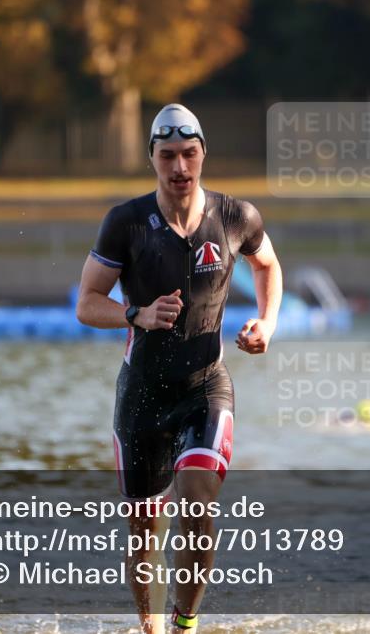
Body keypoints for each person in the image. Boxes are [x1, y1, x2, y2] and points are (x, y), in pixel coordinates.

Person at [76, 104, 283, 633]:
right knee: (145, 528)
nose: (179, 167)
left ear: (202, 154)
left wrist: (266, 322)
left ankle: (183, 626)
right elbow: (86, 302)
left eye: (189, 154)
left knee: (196, 506)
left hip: (205, 386)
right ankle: (148, 627)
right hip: (143, 396)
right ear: (152, 158)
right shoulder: (125, 223)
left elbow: (268, 265)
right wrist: (136, 314)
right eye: (167, 155)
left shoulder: (237, 217)